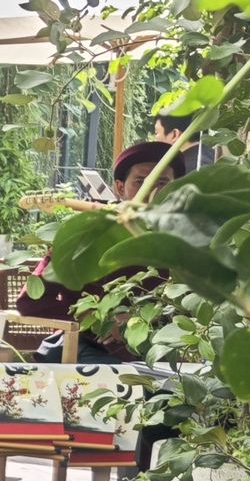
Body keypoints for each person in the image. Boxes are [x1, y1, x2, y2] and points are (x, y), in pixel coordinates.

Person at [16, 140, 176, 362]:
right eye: (140, 181)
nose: (152, 190)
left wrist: (144, 320)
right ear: (120, 188)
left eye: (163, 182)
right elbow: (30, 301)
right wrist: (96, 317)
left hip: (162, 353)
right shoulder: (85, 235)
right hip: (92, 350)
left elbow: (197, 305)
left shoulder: (184, 241)